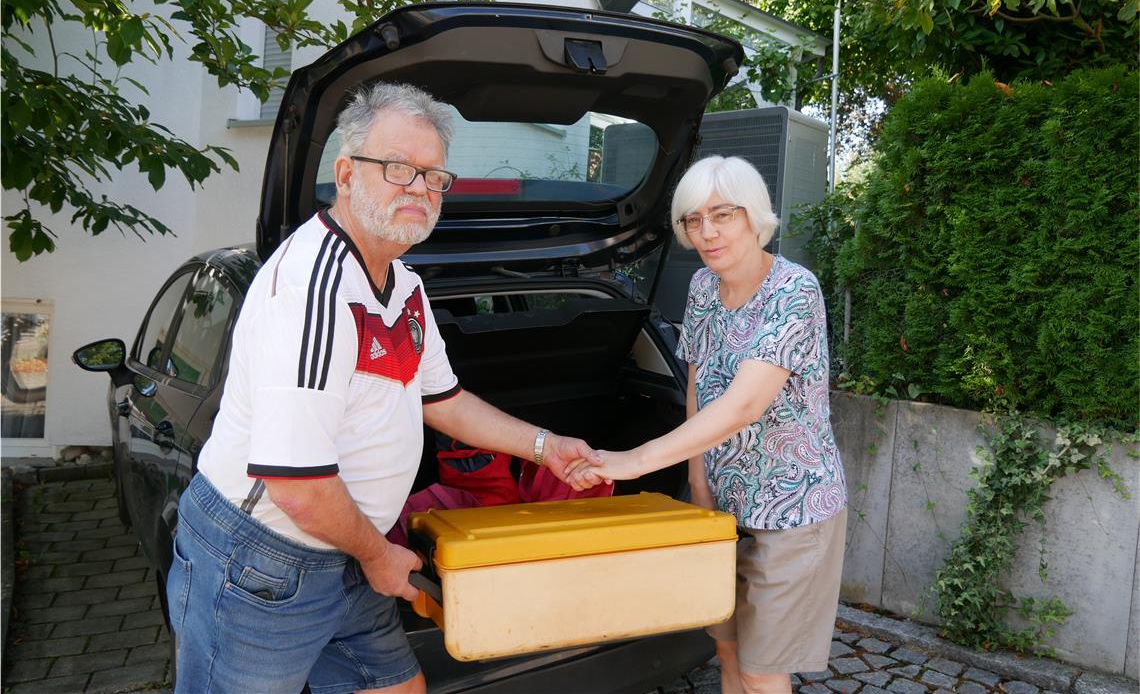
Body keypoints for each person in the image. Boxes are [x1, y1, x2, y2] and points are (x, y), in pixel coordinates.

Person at [167, 81, 603, 694]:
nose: (419, 189)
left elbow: (444, 401)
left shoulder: (402, 286)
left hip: (345, 546)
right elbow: (297, 481)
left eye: (433, 176)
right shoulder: (314, 294)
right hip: (262, 559)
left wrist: (543, 446)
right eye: (398, 168)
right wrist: (377, 554)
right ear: (346, 173)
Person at [568, 155, 848, 694]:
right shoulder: (702, 288)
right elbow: (698, 388)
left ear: (755, 216)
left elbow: (742, 405)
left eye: (722, 215)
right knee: (725, 647)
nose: (707, 232)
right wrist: (698, 484)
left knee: (763, 667)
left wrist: (634, 461)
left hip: (793, 509)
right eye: (694, 220)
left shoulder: (795, 291)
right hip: (720, 503)